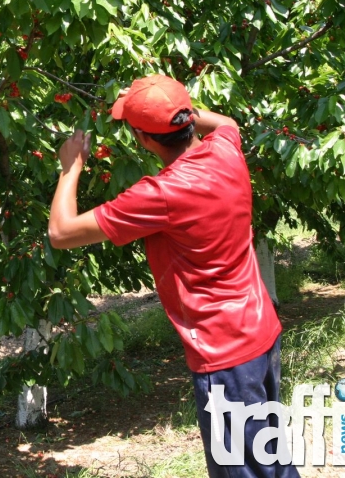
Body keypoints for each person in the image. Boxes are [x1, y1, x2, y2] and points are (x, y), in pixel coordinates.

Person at [48, 74, 298, 478]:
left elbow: (61, 232)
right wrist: (172, 108)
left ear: (144, 140)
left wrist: (70, 167)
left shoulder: (161, 194)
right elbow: (227, 123)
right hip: (262, 333)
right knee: (271, 461)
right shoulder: (226, 150)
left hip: (224, 357)